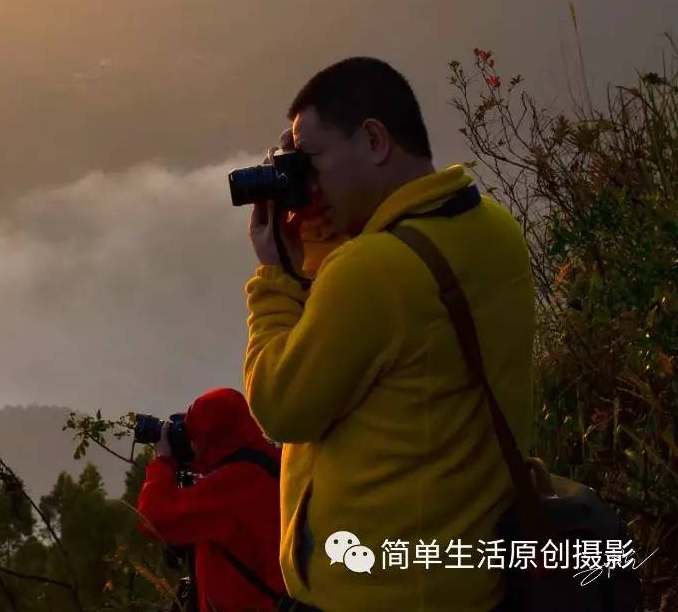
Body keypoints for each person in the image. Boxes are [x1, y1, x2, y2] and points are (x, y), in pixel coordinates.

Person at [242, 57, 536, 612]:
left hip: (371, 593)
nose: (309, 183)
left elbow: (281, 407)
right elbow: (390, 340)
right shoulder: (493, 229)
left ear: (375, 140)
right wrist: (327, 247)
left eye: (313, 160)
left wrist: (276, 276)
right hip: (461, 581)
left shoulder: (374, 270)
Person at [136, 387, 286, 612]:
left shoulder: (230, 486)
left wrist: (164, 462)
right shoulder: (271, 463)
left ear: (211, 438)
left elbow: (152, 518)